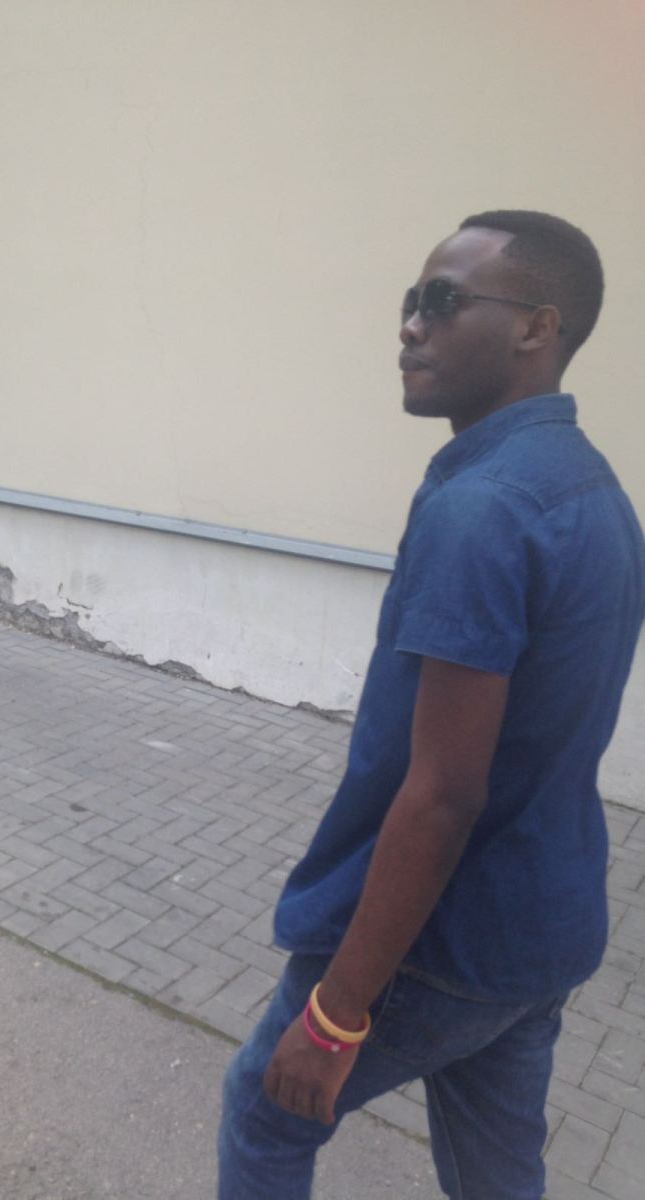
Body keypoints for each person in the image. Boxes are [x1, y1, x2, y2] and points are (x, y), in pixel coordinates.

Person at [218, 210, 645, 1200]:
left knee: (266, 1114)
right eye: (412, 301)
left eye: (444, 301)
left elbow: (444, 795)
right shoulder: (597, 492)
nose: (411, 325)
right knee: (498, 1175)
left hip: (436, 944)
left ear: (538, 327)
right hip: (543, 932)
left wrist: (337, 1015)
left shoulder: (482, 509)